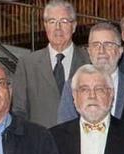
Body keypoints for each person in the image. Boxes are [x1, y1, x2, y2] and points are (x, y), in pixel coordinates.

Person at [12, 0, 89, 128]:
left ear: (74, 26)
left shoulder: (89, 61)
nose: (57, 27)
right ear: (45, 25)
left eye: (64, 21)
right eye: (52, 21)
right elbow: (19, 112)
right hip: (40, 143)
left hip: (80, 143)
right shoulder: (27, 65)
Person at [57, 22, 124, 123]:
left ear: (120, 51)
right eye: (96, 45)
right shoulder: (72, 86)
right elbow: (65, 129)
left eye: (108, 45)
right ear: (89, 51)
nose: (101, 51)